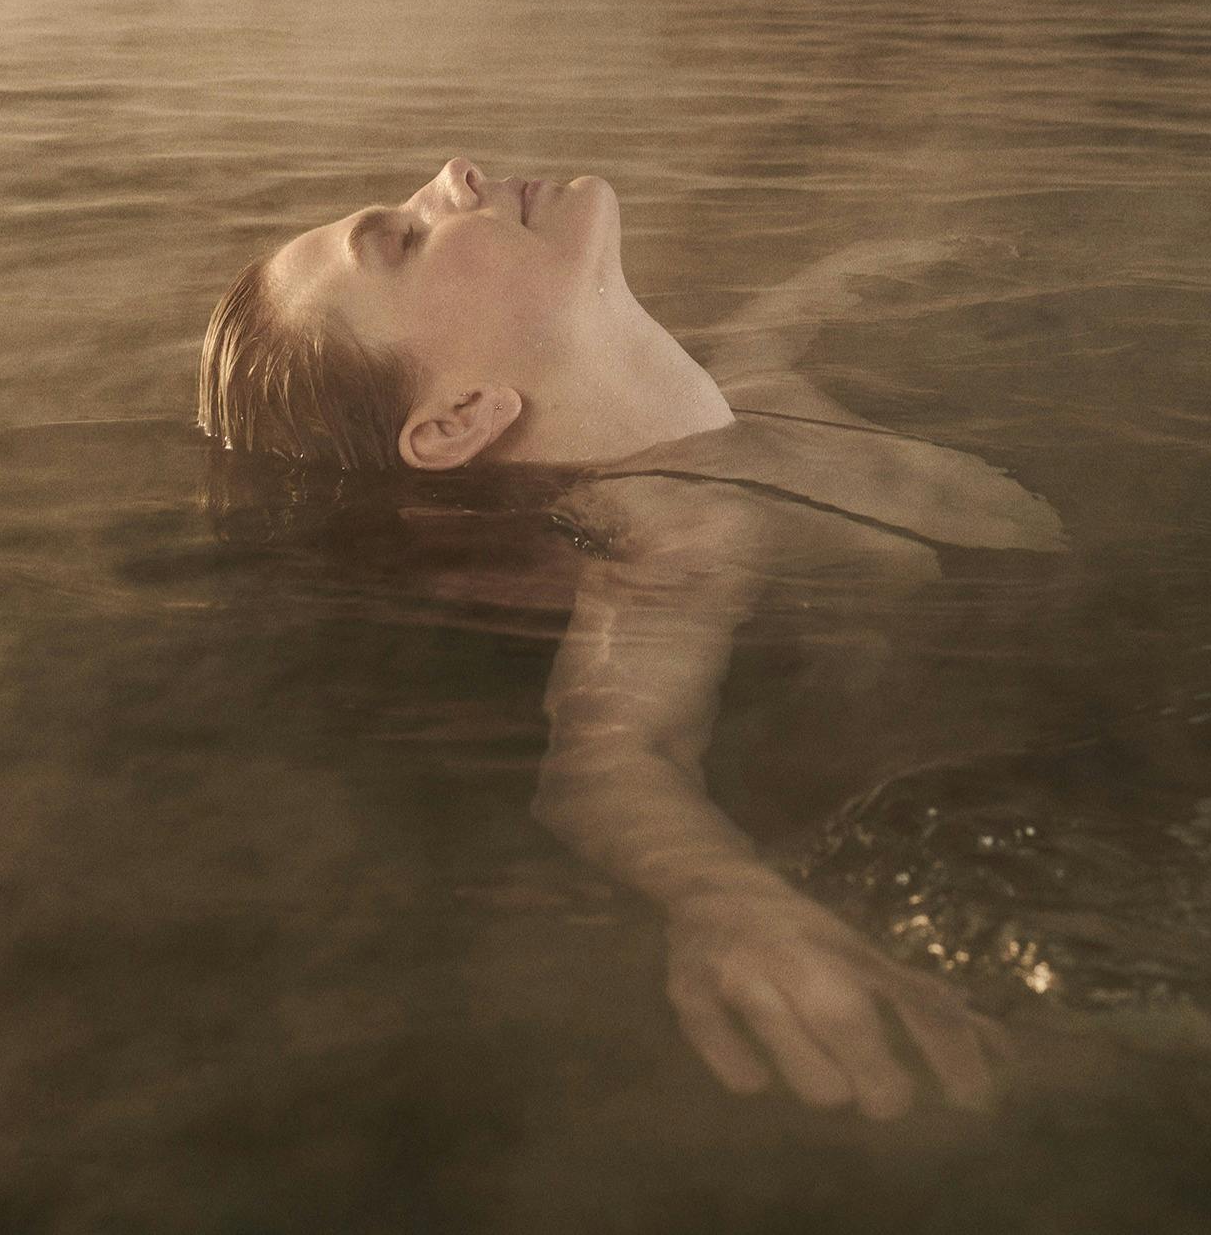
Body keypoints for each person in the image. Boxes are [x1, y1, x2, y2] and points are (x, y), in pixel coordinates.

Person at [199, 157, 1068, 1120]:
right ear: (456, 419)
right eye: (402, 239)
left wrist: (873, 265)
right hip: (1060, 713)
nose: (452, 173)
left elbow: (774, 324)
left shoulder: (755, 387)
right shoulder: (674, 532)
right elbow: (612, 756)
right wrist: (723, 897)